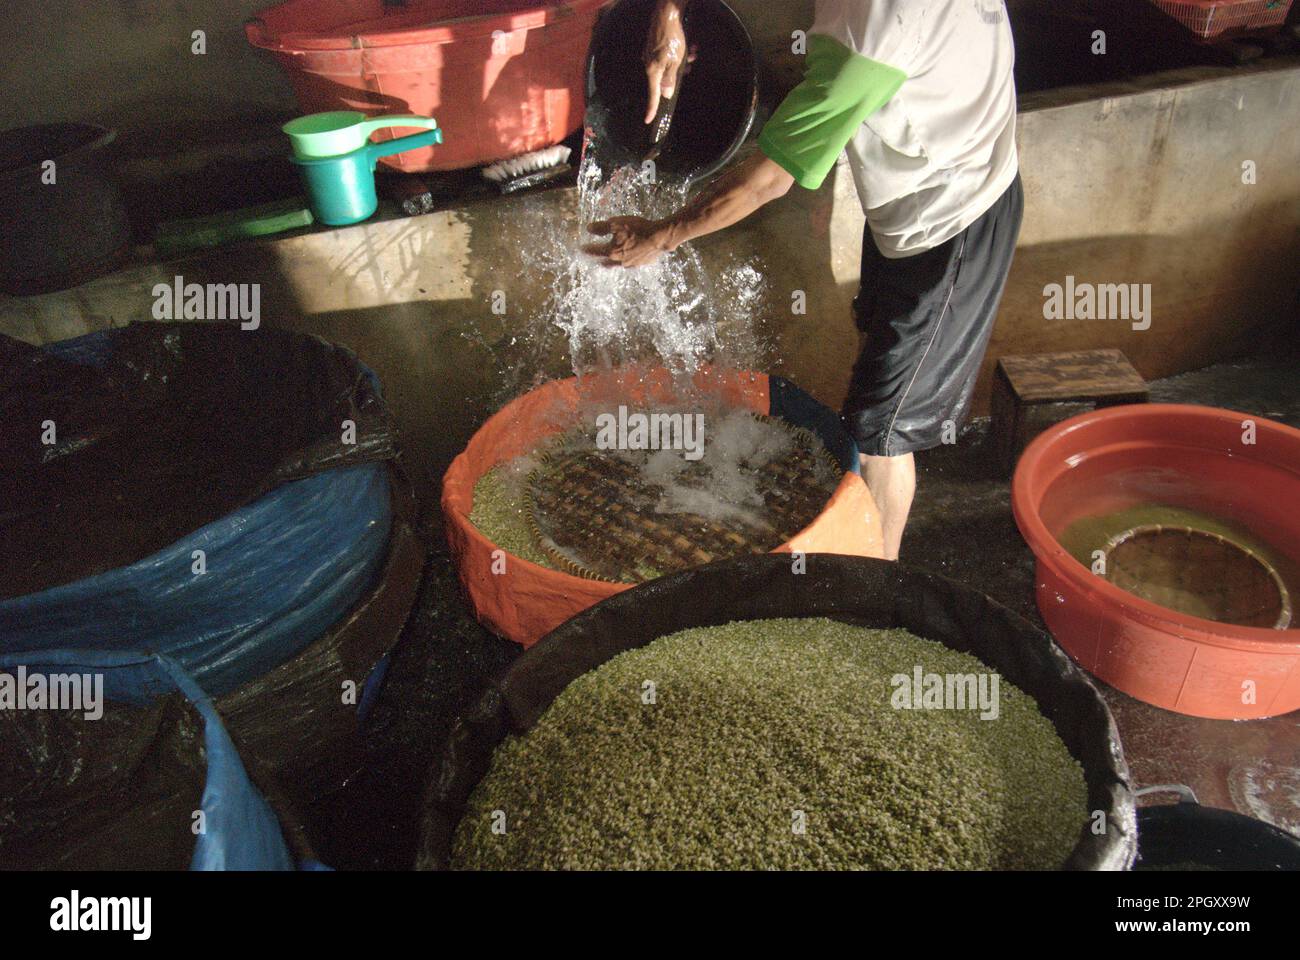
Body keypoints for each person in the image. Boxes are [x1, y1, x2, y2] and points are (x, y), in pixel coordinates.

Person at [587, 0, 1024, 560]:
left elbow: (766, 180)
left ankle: (872, 594)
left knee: (880, 432)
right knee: (877, 367)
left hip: (954, 220)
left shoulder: (873, 36)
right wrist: (672, 12)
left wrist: (662, 236)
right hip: (914, 184)